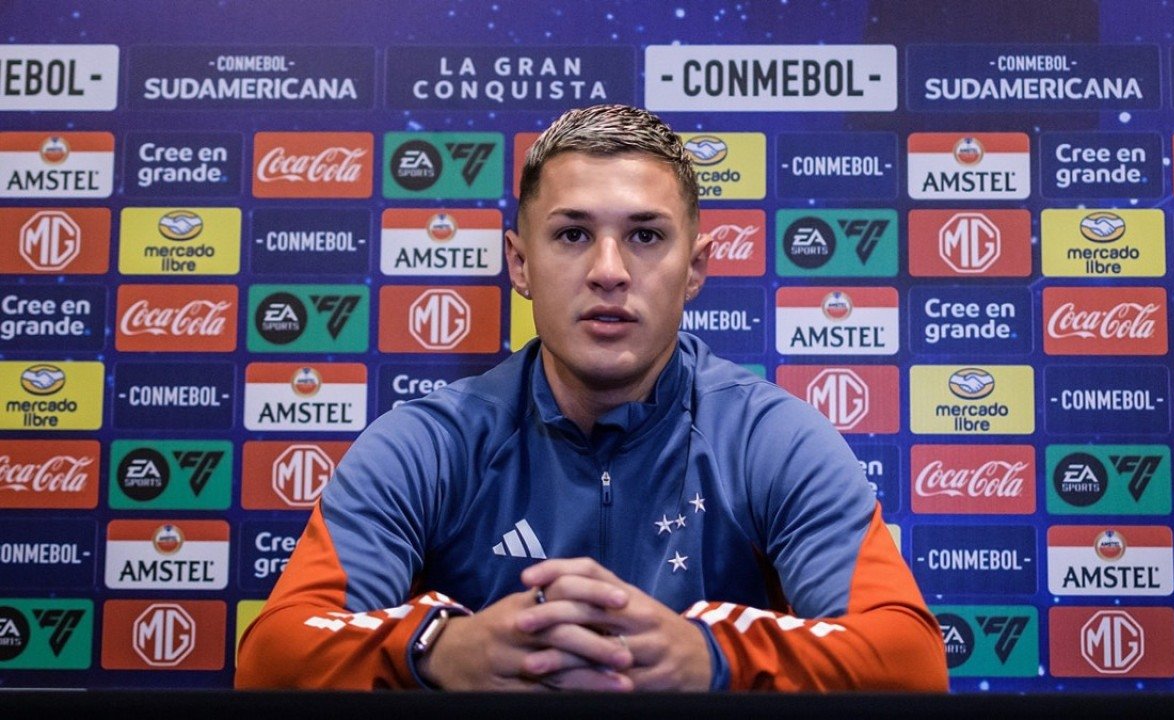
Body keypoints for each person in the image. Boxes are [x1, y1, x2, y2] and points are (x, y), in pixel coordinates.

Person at [234, 104, 949, 692]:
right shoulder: (427, 443)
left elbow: (910, 663)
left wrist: (709, 655)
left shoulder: (770, 437)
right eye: (573, 234)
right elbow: (272, 658)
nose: (609, 270)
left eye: (646, 236)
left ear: (695, 268)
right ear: (520, 262)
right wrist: (440, 650)